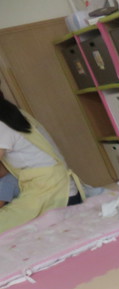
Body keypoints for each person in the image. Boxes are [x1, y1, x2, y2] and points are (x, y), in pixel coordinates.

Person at [0, 92, 83, 233]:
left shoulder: (3, 125)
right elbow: (6, 170)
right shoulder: (13, 114)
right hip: (53, 187)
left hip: (54, 193)